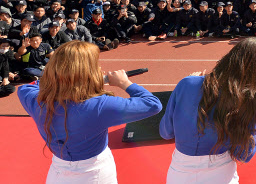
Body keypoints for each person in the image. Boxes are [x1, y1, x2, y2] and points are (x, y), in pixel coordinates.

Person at [18, 41, 161, 183]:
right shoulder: (100, 106)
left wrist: (61, 80)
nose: (99, 68)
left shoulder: (35, 101)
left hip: (57, 173)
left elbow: (27, 88)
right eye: (94, 66)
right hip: (95, 174)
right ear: (86, 72)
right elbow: (153, 104)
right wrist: (125, 83)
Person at [160, 38, 256, 183]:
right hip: (221, 174)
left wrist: (187, 85)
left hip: (180, 173)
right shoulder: (248, 101)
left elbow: (166, 132)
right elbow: (244, 154)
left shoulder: (187, 84)